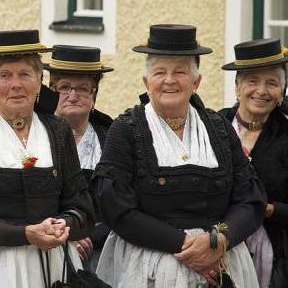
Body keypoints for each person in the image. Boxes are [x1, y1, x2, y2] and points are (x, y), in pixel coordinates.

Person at [94, 24, 265, 287]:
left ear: (196, 82)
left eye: (180, 72)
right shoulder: (126, 129)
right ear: (146, 82)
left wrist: (219, 241)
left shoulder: (219, 127)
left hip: (222, 261)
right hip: (149, 264)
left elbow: (250, 199)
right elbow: (116, 207)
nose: (169, 80)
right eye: (160, 72)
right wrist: (188, 246)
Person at [0, 29, 94, 288]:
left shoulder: (57, 130)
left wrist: (63, 225)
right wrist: (25, 234)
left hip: (54, 264)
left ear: (39, 81)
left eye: (25, 74)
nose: (16, 84)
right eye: (4, 75)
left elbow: (83, 207)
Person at [220, 38, 288, 288]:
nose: (261, 90)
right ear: (238, 88)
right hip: (214, 243)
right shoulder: (214, 127)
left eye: (272, 83)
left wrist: (269, 209)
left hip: (275, 254)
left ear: (281, 92)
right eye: (252, 81)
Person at [43, 44, 113, 272]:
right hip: (47, 244)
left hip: (100, 248)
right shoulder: (35, 136)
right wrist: (67, 235)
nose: (73, 96)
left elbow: (124, 201)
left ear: (94, 93)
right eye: (64, 87)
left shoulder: (111, 138)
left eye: (83, 88)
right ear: (51, 90)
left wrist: (91, 237)